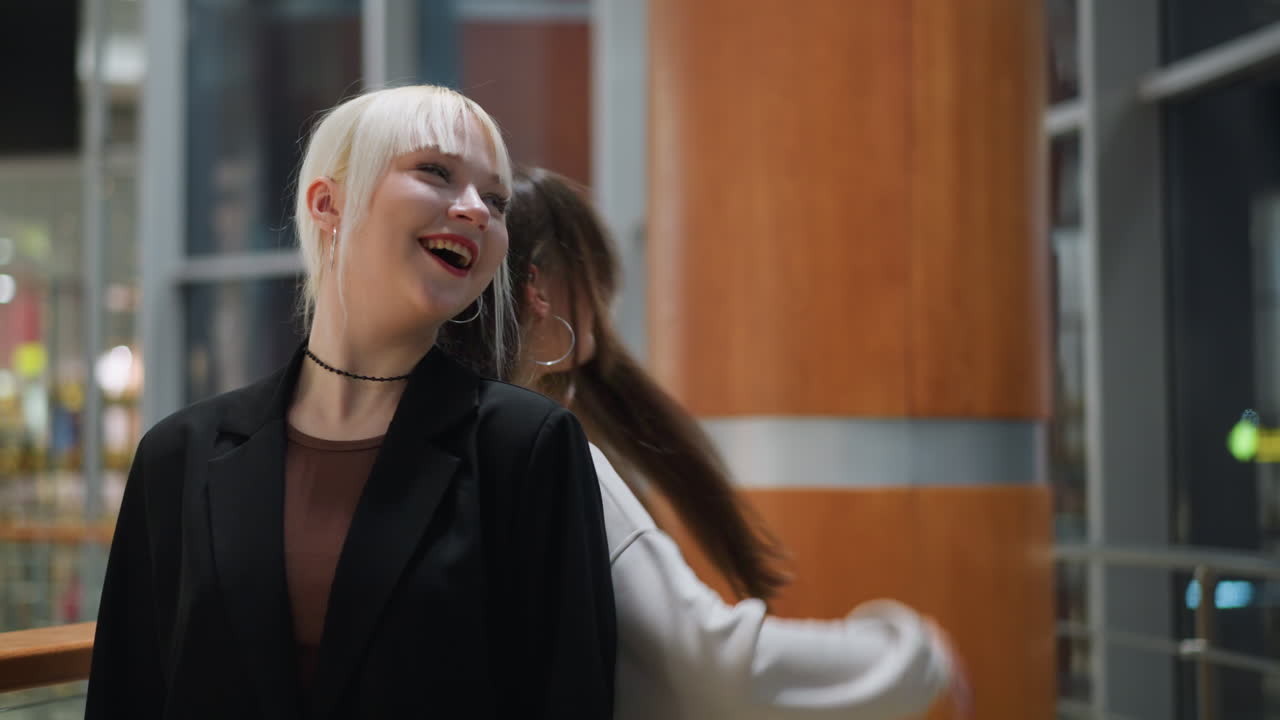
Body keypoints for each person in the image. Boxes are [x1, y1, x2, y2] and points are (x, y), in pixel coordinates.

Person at [86, 89, 616, 719]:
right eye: (436, 172)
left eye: (495, 200)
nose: (476, 210)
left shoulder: (526, 446)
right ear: (327, 203)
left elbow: (569, 695)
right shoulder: (180, 456)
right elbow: (130, 689)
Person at [441, 166, 970, 720]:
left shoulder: (432, 442)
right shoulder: (546, 455)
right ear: (539, 288)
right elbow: (714, 668)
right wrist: (911, 656)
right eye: (594, 276)